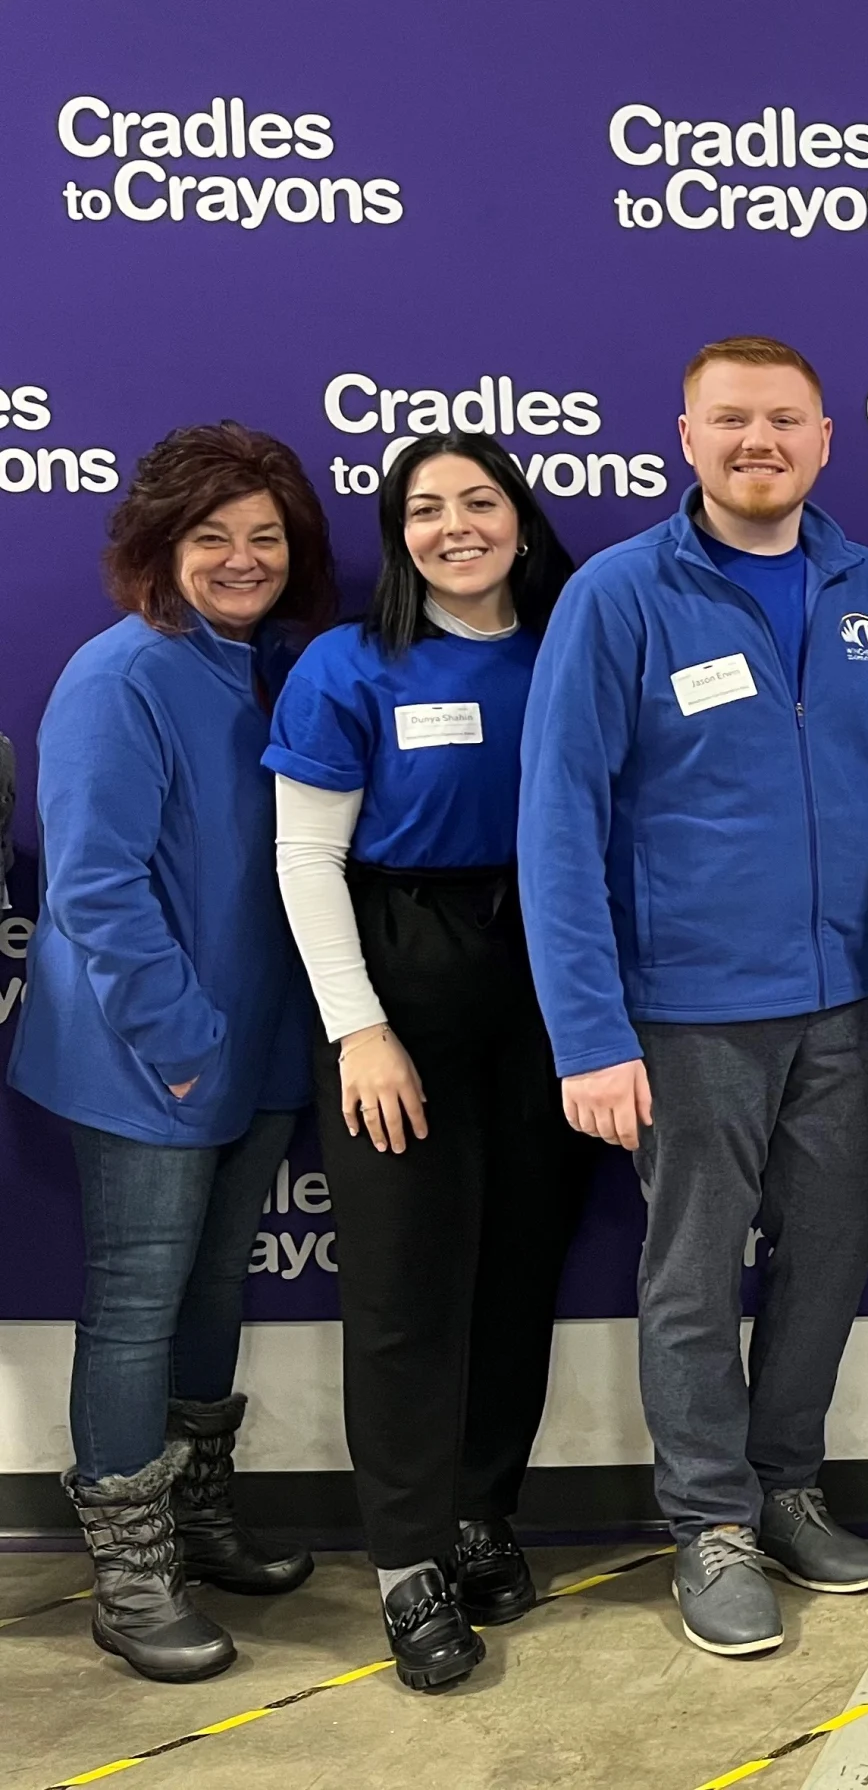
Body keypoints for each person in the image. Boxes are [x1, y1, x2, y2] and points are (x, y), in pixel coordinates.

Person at [519, 337, 868, 1659]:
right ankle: (708, 1522)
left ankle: (786, 1484)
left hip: (848, 1005)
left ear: (826, 439)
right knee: (694, 1275)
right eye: (731, 421)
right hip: (686, 1012)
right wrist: (589, 1032)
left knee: (828, 1255)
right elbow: (557, 825)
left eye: (783, 420)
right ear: (686, 437)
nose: (757, 441)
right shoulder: (620, 596)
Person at [265, 433, 595, 1690]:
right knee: (406, 1282)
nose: (456, 525)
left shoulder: (573, 644)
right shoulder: (350, 665)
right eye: (424, 508)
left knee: (518, 1266)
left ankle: (477, 1513)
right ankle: (407, 1564)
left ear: (520, 514)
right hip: (399, 975)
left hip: (547, 974)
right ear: (396, 533)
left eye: (480, 500)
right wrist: (359, 1027)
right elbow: (305, 859)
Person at [9, 424, 334, 1682]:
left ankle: (198, 1516)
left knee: (210, 1291)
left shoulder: (274, 669)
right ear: (159, 547)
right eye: (213, 537)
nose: (244, 559)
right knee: (139, 1305)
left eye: (265, 536)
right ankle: (130, 1569)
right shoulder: (119, 675)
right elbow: (96, 885)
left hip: (256, 1051)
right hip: (151, 1055)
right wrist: (186, 1044)